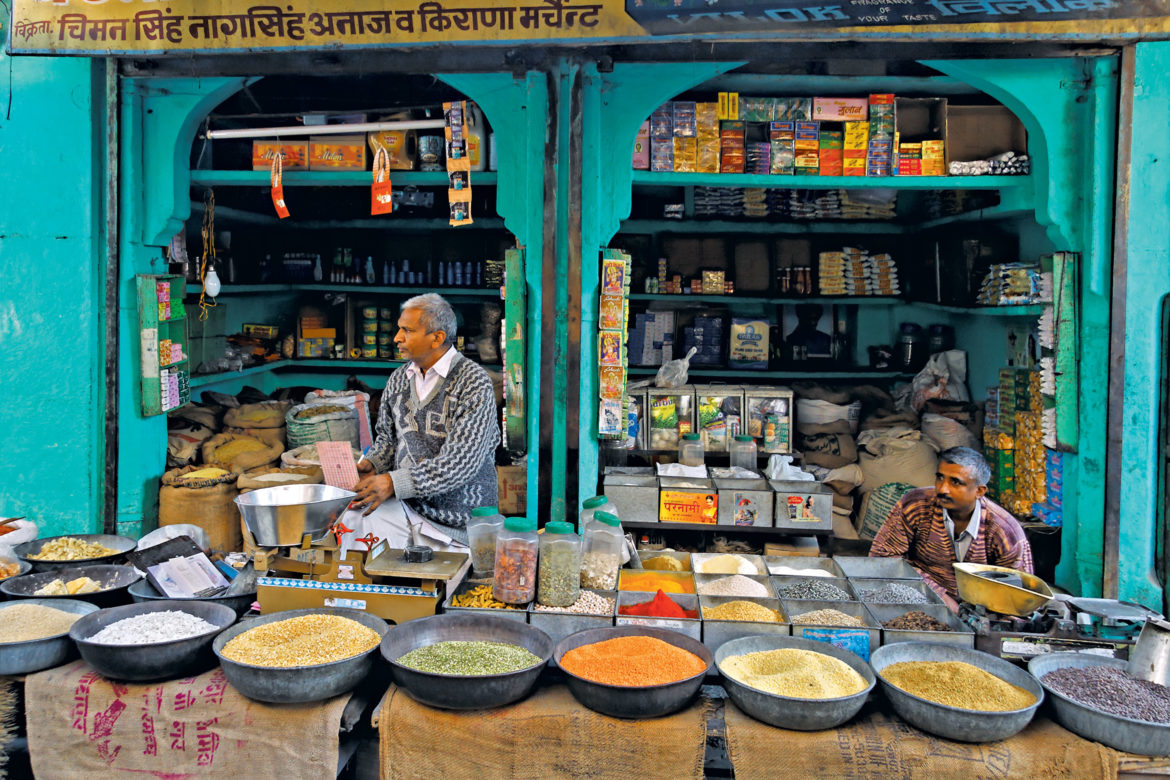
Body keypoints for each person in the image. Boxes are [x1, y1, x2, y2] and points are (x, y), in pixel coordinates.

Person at [351, 293, 499, 551]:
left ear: (437, 338)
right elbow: (388, 439)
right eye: (399, 329)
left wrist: (394, 483)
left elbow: (460, 463)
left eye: (407, 330)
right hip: (408, 509)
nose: (397, 337)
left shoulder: (473, 382)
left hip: (459, 525)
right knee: (351, 520)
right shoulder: (398, 379)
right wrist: (373, 464)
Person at [869, 446, 1033, 609]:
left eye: (955, 482)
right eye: (940, 478)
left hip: (982, 610)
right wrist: (938, 595)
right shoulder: (915, 505)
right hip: (918, 599)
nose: (942, 489)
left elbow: (1018, 590)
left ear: (979, 491)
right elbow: (882, 558)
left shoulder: (1005, 530)